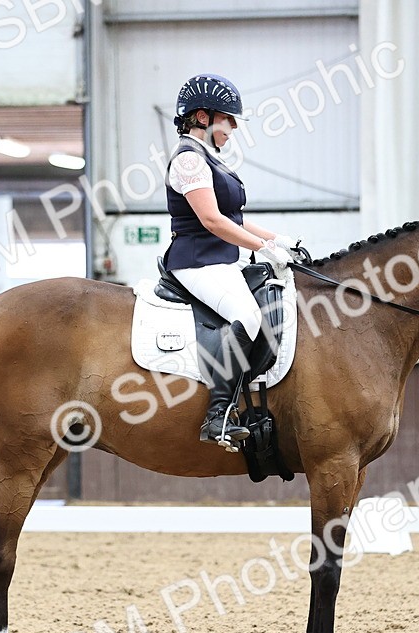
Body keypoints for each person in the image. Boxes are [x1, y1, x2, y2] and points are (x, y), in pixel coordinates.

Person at [164, 73, 299, 448]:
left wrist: (277, 240)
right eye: (228, 118)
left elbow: (233, 218)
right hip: (195, 263)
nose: (234, 127)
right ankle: (218, 415)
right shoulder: (189, 161)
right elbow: (211, 220)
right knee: (249, 316)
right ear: (203, 117)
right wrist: (261, 247)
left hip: (219, 260)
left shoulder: (209, 159)